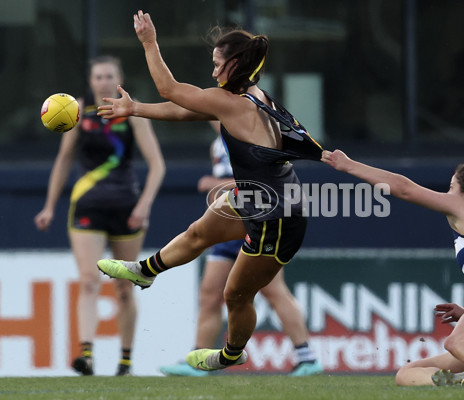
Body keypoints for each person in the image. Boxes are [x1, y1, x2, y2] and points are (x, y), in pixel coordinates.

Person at [96, 10, 323, 373]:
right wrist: (135, 108)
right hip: (259, 199)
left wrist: (149, 42)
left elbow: (170, 90)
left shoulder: (232, 103)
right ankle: (146, 270)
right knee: (200, 231)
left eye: (218, 65)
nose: (213, 71)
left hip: (278, 216)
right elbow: (188, 111)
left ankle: (231, 354)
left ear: (235, 65)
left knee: (235, 295)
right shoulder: (249, 96)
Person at [321, 149, 464, 387]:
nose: (447, 194)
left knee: (456, 341)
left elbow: (404, 188)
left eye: (451, 187)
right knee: (408, 373)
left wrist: (350, 166)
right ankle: (461, 385)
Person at [34, 55, 165, 376]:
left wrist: (144, 203)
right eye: (98, 77)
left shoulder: (132, 112)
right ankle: (87, 355)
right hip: (88, 205)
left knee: (124, 287)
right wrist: (49, 205)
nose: (103, 81)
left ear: (119, 79)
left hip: (126, 207)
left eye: (109, 76)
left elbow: (157, 164)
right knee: (89, 280)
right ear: (90, 81)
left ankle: (124, 361)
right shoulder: (76, 111)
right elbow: (64, 161)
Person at [159, 134, 322, 377]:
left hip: (257, 222)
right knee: (210, 293)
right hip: (227, 224)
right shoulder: (218, 141)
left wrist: (215, 183)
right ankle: (197, 358)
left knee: (274, 290)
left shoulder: (250, 133)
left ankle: (306, 357)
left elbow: (258, 179)